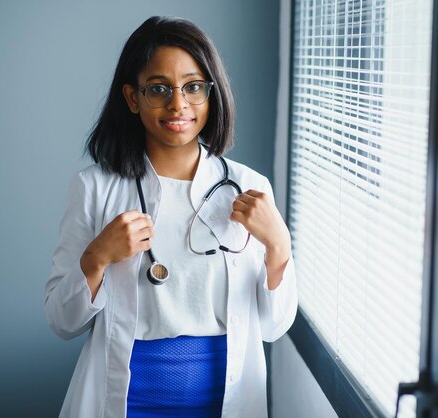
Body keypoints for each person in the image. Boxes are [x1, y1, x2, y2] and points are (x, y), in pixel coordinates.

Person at [44, 16, 297, 418]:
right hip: (126, 401)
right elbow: (62, 321)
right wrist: (96, 259)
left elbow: (273, 327)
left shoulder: (250, 187)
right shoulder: (94, 188)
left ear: (211, 94)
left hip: (225, 400)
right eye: (159, 89)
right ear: (132, 98)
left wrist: (279, 247)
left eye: (193, 87)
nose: (178, 104)